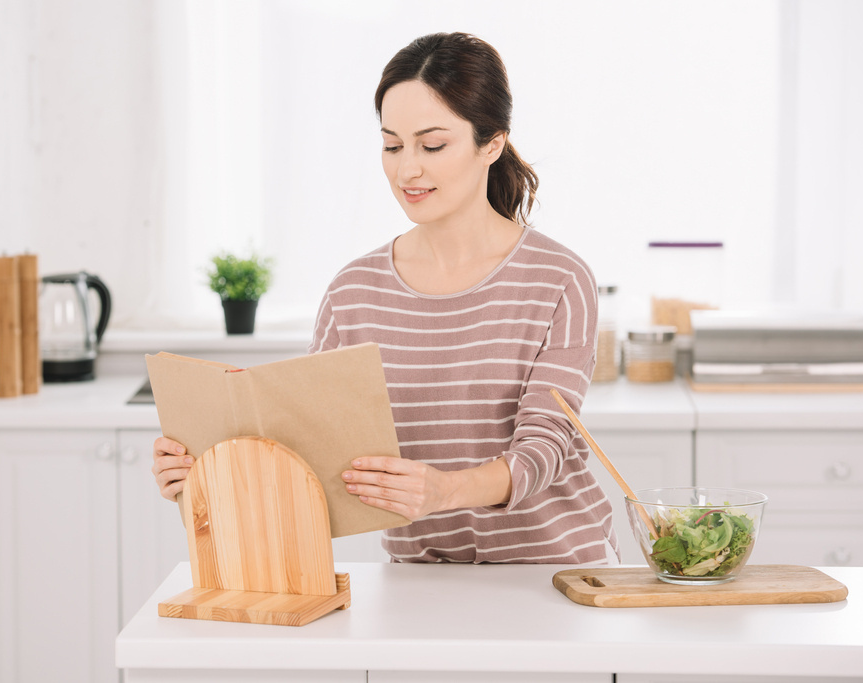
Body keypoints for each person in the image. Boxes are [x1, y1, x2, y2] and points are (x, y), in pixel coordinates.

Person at [153, 32, 619, 565]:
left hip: (558, 573)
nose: (406, 170)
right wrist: (208, 474)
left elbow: (545, 446)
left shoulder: (558, 279)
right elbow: (311, 456)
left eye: (433, 145)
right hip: (421, 578)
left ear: (491, 143)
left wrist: (444, 491)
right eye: (392, 145)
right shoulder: (354, 293)